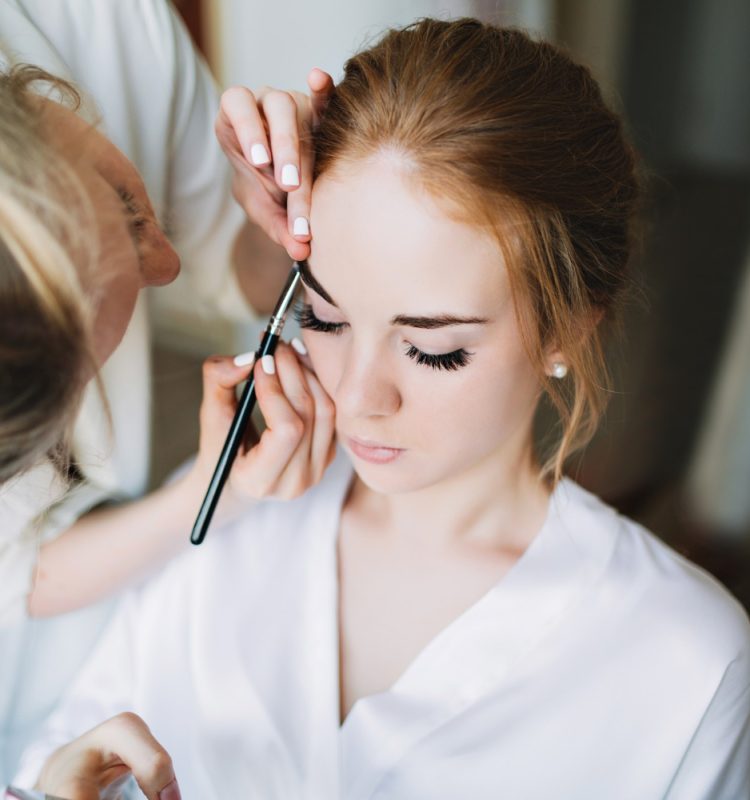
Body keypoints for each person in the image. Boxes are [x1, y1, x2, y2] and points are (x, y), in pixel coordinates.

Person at [12, 17, 750, 800]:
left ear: (569, 325)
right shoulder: (223, 527)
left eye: (433, 349)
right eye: (322, 320)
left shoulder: (689, 665)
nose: (358, 397)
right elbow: (58, 753)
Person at [0, 0, 334, 783]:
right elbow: (15, 570)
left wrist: (270, 217)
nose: (165, 266)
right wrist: (211, 498)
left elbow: (225, 270)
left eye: (123, 202)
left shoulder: (100, 23)